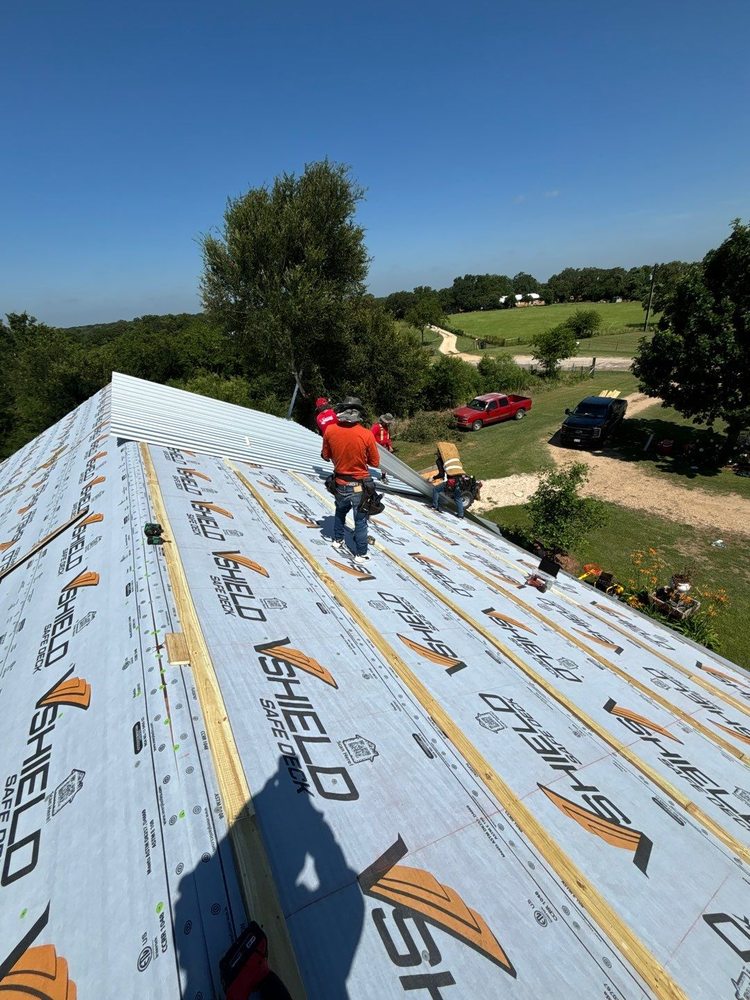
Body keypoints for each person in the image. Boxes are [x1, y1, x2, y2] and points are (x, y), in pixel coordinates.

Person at [321, 397, 380, 564]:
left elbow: (325, 456)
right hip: (359, 486)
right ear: (358, 413)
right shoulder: (366, 434)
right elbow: (374, 462)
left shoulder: (330, 430)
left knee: (340, 511)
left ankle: (337, 540)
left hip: (339, 483)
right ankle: (361, 554)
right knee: (360, 520)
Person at [431, 443, 466, 518]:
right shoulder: (453, 459)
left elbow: (441, 475)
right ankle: (461, 515)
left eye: (437, 454)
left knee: (436, 489)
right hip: (460, 481)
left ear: (439, 454)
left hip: (452, 482)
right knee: (458, 498)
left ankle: (434, 506)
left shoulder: (440, 461)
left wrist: (433, 478)